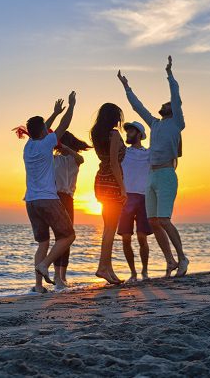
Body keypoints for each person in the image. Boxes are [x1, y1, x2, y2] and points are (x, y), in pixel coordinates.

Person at [117, 56, 188, 277]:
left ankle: (183, 258)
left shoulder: (177, 122)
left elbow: (175, 96)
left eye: (168, 104)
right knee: (154, 221)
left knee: (164, 219)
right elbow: (138, 108)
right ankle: (170, 261)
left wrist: (169, 74)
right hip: (152, 177)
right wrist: (127, 87)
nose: (165, 104)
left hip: (166, 174)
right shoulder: (154, 123)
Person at [22, 92, 77, 292]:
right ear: (44, 132)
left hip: (31, 202)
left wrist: (53, 113)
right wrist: (71, 106)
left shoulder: (28, 147)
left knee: (43, 243)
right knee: (68, 236)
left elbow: (41, 129)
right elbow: (65, 125)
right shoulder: (47, 144)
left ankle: (37, 286)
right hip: (48, 199)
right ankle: (45, 265)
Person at [90, 102, 127, 285]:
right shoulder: (113, 134)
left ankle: (107, 267)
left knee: (108, 228)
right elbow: (114, 163)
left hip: (101, 181)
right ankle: (103, 268)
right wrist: (122, 187)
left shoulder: (96, 133)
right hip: (112, 181)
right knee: (111, 228)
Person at [52, 132, 91, 289]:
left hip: (69, 199)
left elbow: (81, 158)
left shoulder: (75, 160)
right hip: (56, 197)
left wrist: (65, 147)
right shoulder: (53, 159)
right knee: (60, 238)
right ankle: (56, 276)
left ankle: (63, 276)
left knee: (67, 238)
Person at [117, 121, 153, 283]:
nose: (127, 133)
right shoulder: (123, 152)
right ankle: (133, 272)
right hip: (126, 198)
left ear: (139, 134)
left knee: (141, 237)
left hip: (144, 197)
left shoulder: (149, 153)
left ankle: (145, 271)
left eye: (130, 131)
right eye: (127, 131)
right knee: (125, 238)